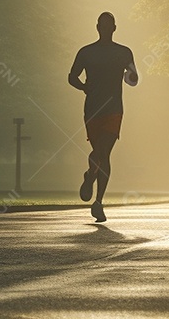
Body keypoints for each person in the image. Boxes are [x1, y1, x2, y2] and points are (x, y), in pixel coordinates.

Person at [68, 12, 137, 222]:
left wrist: (131, 75)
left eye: (109, 26)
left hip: (114, 109)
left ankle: (98, 201)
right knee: (100, 154)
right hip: (93, 110)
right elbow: (72, 76)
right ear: (97, 27)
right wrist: (84, 87)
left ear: (114, 28)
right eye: (103, 25)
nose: (106, 29)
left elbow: (133, 78)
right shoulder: (86, 53)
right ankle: (90, 177)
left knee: (103, 151)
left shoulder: (124, 53)